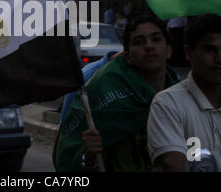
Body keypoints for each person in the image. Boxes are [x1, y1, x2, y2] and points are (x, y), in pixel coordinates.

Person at [147, 14, 221, 172]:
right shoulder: (168, 104)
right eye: (210, 50)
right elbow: (173, 164)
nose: (220, 59)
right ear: (188, 52)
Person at [54, 16, 178, 171]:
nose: (149, 46)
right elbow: (71, 154)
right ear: (127, 56)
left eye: (156, 39)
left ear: (169, 51)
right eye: (139, 42)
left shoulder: (182, 97)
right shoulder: (101, 89)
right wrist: (88, 156)